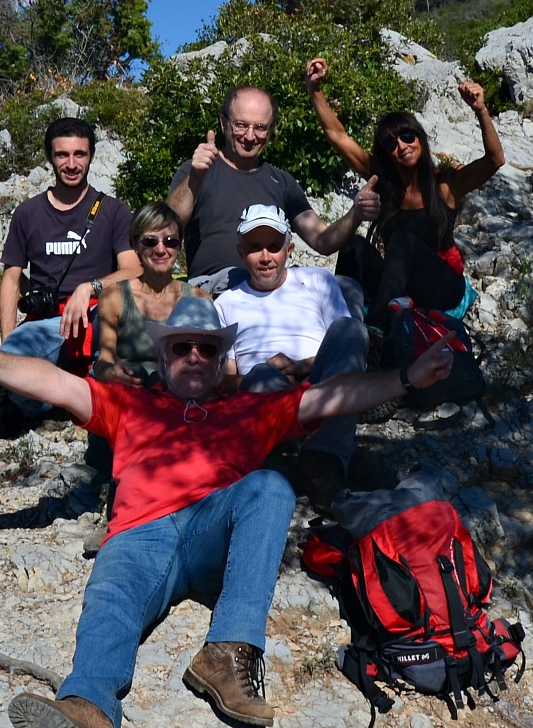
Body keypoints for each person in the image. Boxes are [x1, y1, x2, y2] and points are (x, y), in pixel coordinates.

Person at [0, 294, 457, 728]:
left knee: (272, 486)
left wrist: (407, 379)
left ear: (220, 360)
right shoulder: (131, 404)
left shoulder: (251, 409)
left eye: (205, 349)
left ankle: (227, 655)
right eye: (180, 347)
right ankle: (88, 706)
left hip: (215, 529)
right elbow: (53, 382)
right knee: (112, 599)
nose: (192, 356)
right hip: (141, 531)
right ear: (163, 358)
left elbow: (332, 397)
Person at [305, 56, 506, 326]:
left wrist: (481, 110)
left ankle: (377, 327)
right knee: (352, 246)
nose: (401, 146)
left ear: (420, 139)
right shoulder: (383, 184)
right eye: (391, 144)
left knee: (401, 241)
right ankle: (339, 324)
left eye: (407, 137)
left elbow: (495, 160)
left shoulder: (446, 185)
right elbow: (337, 136)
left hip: (441, 287)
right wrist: (314, 89)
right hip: (397, 286)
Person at [0, 117, 140, 439]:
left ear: (91, 156)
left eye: (80, 154)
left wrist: (90, 288)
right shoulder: (27, 214)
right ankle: (56, 399)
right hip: (47, 323)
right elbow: (11, 279)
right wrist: (6, 352)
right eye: (62, 155)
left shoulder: (113, 211)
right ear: (50, 157)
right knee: (14, 357)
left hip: (98, 315)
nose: (71, 164)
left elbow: (134, 269)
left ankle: (64, 395)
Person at [214, 204, 368, 510]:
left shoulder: (318, 280)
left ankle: (324, 462)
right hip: (263, 393)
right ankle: (284, 462)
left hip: (318, 384)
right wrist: (259, 373)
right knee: (260, 378)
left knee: (353, 329)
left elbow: (343, 338)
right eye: (255, 248)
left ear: (290, 249)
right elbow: (224, 381)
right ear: (240, 252)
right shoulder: (225, 303)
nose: (266, 257)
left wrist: (300, 366)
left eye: (274, 247)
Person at [167, 85, 380, 294]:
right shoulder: (197, 171)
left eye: (260, 127)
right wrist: (195, 178)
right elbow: (166, 225)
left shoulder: (281, 182)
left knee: (345, 288)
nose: (250, 136)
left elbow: (322, 240)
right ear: (224, 124)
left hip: (270, 283)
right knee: (246, 278)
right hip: (215, 287)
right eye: (241, 125)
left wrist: (356, 213)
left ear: (270, 131)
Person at [93, 202, 209, 389]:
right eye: (150, 242)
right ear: (135, 246)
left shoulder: (199, 299)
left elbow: (211, 364)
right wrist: (110, 372)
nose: (161, 250)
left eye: (170, 241)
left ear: (179, 247)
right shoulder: (114, 297)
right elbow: (103, 362)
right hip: (131, 392)